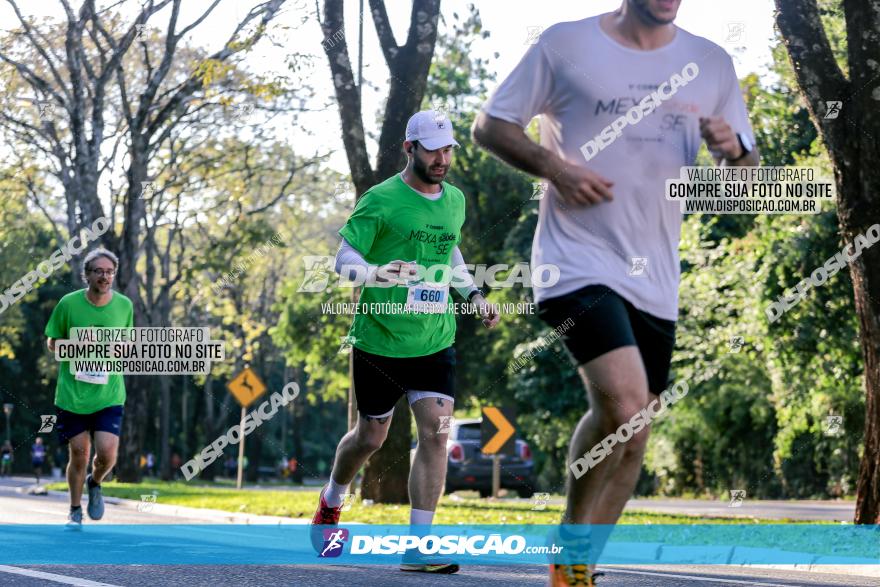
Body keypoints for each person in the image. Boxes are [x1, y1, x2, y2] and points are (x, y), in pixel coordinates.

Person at [472, 1, 758, 585]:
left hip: (655, 275)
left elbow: (746, 183)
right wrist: (555, 168)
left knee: (636, 430)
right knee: (624, 405)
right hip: (573, 261)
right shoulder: (565, 44)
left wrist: (734, 152)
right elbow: (490, 125)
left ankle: (577, 569)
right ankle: (570, 542)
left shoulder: (711, 63)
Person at [310, 109, 500, 574]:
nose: (442, 157)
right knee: (370, 437)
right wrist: (376, 273)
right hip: (381, 339)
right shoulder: (381, 200)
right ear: (409, 148)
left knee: (436, 433)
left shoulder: (454, 199)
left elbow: (448, 249)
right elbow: (343, 259)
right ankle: (332, 499)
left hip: (435, 339)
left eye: (448, 148)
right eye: (433, 148)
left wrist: (472, 293)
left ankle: (418, 547)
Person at [45, 248, 134, 528]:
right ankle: (74, 508)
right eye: (99, 271)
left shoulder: (124, 306)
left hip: (109, 393)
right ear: (87, 275)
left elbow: (128, 344)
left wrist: (123, 348)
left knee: (106, 454)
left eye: (109, 272)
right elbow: (52, 342)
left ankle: (95, 483)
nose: (105, 276)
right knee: (80, 453)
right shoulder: (68, 304)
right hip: (73, 395)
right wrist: (78, 345)